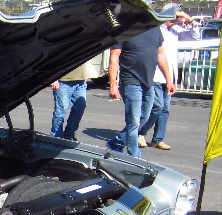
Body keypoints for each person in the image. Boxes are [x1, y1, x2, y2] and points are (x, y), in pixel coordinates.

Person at [105, 27, 175, 157]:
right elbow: (114, 57)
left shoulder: (155, 30)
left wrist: (169, 80)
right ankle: (135, 156)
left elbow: (161, 55)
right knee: (134, 122)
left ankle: (117, 143)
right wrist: (113, 84)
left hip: (149, 82)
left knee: (145, 117)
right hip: (130, 81)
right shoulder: (125, 30)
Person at [138, 12, 198, 150]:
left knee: (165, 109)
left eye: (176, 18)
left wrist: (190, 19)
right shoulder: (156, 29)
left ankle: (158, 139)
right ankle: (140, 132)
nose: (174, 20)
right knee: (157, 106)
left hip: (170, 77)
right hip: (156, 75)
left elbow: (194, 36)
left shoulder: (176, 31)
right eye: (172, 17)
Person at [49, 62, 89, 141]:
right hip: (63, 81)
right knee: (61, 110)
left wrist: (85, 73)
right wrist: (53, 78)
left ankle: (69, 134)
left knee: (80, 107)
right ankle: (56, 136)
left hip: (80, 80)